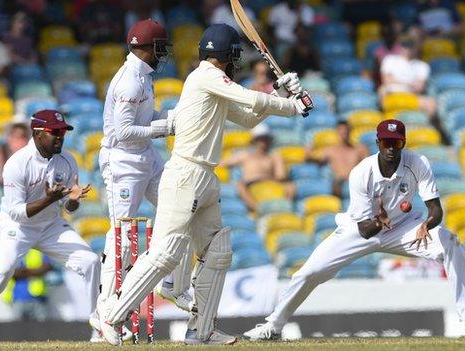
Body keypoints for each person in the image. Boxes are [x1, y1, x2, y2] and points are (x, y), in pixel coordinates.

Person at [99, 23, 312, 345]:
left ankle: (202, 331)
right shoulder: (206, 76)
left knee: (218, 251)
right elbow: (249, 99)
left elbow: (249, 117)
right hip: (185, 174)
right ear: (227, 55)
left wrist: (280, 93)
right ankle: (111, 317)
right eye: (236, 54)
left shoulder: (216, 85)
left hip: (205, 176)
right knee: (165, 253)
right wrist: (293, 105)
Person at [243, 119, 465, 340]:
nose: (392, 148)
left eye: (397, 143)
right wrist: (379, 221)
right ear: (378, 143)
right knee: (309, 272)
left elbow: (435, 209)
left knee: (450, 242)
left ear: (404, 143)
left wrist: (427, 224)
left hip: (404, 229)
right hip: (360, 230)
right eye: (386, 143)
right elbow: (366, 231)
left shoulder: (418, 163)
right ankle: (273, 326)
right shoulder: (362, 172)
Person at [0, 109, 100, 343]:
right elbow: (17, 213)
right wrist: (49, 199)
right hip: (17, 227)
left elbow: (68, 209)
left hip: (51, 225)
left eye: (63, 132)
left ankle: (98, 329)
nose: (60, 137)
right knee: (3, 270)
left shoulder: (67, 160)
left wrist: (72, 201)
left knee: (91, 262)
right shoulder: (17, 163)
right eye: (54, 132)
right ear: (37, 134)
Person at [93, 19, 192, 345]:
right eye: (160, 47)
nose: (162, 54)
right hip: (123, 163)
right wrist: (165, 128)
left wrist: (171, 118)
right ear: (147, 48)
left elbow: (143, 123)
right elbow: (122, 132)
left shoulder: (143, 77)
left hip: (147, 157)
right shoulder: (130, 84)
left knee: (180, 210)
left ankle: (174, 286)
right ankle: (105, 310)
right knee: (121, 238)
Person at [221, 124, 293, 212]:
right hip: (249, 184)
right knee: (240, 185)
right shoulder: (245, 155)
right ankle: (257, 209)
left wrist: (279, 162)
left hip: (270, 182)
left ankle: (285, 208)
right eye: (260, 139)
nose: (263, 142)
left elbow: (281, 176)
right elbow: (223, 164)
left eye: (266, 139)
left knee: (290, 186)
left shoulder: (274, 157)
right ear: (254, 141)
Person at [306, 121, 368, 197]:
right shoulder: (331, 150)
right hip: (339, 183)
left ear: (350, 131)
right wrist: (309, 151)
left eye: (346, 131)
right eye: (341, 131)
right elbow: (315, 160)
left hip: (355, 181)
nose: (344, 133)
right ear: (337, 132)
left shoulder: (359, 149)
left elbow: (368, 165)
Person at [379, 36, 436, 118]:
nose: (407, 49)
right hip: (391, 91)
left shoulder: (422, 65)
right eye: (404, 45)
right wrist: (410, 83)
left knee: (431, 103)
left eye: (410, 45)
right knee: (382, 90)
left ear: (416, 47)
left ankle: (424, 126)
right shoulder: (389, 59)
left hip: (411, 94)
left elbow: (419, 87)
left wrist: (398, 81)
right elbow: (387, 80)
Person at [2, 249, 53, 321]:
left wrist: (23, 272)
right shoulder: (12, 249)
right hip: (17, 299)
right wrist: (34, 271)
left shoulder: (39, 248)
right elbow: (9, 271)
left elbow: (46, 267)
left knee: (42, 330)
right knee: (18, 330)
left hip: (38, 299)